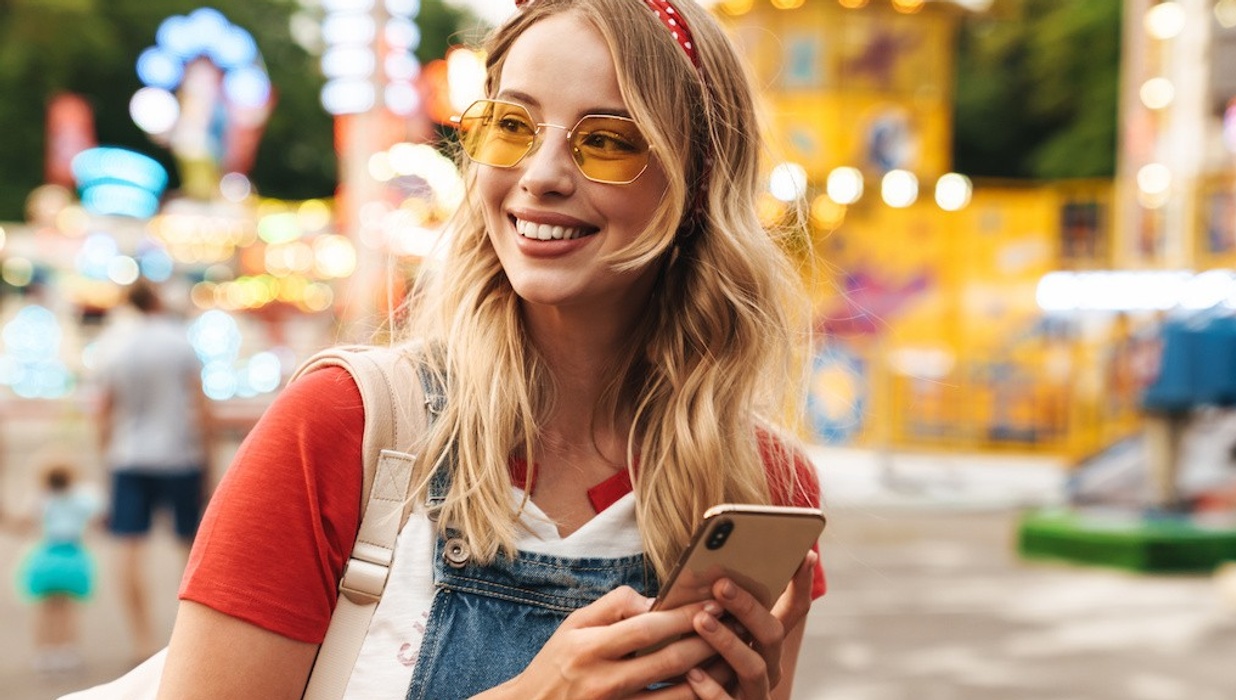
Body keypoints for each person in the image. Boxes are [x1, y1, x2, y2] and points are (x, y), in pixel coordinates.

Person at [81, 0, 826, 697]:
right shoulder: (344, 427)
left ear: (696, 181)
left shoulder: (762, 484)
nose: (540, 176)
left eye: (604, 140)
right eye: (512, 126)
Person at [93, 277, 213, 662]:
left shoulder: (113, 344)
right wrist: (209, 459)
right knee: (191, 549)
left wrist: (103, 458)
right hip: (179, 455)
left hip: (128, 457)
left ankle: (142, 641)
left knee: (129, 549)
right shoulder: (179, 341)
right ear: (157, 301)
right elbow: (201, 406)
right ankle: (193, 640)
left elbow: (104, 410)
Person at [9, 461, 103, 673]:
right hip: (73, 558)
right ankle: (68, 650)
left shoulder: (42, 499)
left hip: (47, 558)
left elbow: (22, 524)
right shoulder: (82, 499)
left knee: (46, 609)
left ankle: (45, 652)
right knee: (67, 609)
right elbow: (99, 519)